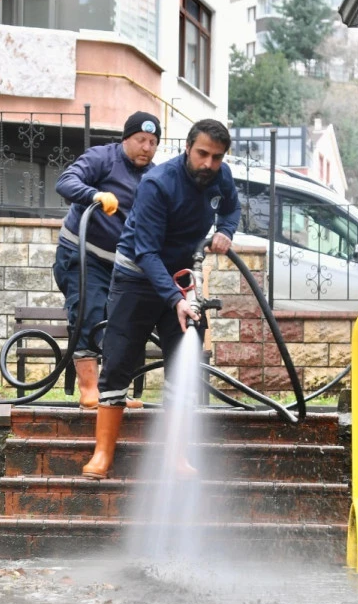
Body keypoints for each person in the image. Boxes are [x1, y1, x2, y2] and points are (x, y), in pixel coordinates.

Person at [82, 118, 241, 479]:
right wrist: (175, 299)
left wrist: (226, 231)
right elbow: (147, 252)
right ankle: (103, 453)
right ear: (187, 148)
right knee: (120, 359)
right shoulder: (158, 183)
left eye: (216, 157)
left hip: (182, 279)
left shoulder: (221, 176)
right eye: (202, 154)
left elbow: (231, 208)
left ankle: (175, 456)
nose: (208, 164)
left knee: (184, 363)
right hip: (137, 277)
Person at [54, 111, 162, 407]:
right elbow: (65, 182)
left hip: (120, 265)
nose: (146, 147)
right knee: (88, 314)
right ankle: (90, 391)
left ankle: (113, 393)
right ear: (127, 138)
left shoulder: (155, 177)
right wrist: (94, 195)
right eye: (141, 139)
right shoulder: (102, 158)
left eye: (153, 142)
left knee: (119, 325)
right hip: (80, 255)